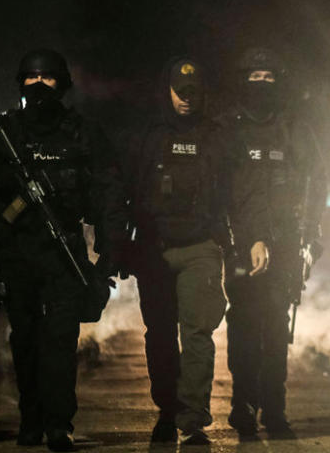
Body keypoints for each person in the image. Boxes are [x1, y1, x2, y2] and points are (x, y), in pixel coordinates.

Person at [0, 48, 126, 452]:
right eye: (32, 78)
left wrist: (111, 246)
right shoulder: (3, 131)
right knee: (26, 339)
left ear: (62, 84)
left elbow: (108, 192)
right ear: (21, 84)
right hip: (16, 254)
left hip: (62, 251)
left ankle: (58, 423)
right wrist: (4, 183)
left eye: (48, 78)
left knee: (61, 340)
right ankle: (30, 417)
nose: (39, 85)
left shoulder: (82, 132)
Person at [123, 56, 269, 445]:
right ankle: (167, 410)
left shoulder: (219, 137)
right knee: (160, 336)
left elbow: (243, 194)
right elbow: (121, 190)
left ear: (203, 93)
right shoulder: (148, 136)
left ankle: (192, 417)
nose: (186, 100)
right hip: (155, 248)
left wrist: (254, 237)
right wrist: (118, 244)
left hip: (202, 247)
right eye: (179, 92)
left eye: (193, 92)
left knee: (199, 334)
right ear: (167, 90)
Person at [217, 47, 326, 437]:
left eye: (269, 77)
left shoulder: (294, 128)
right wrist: (244, 239)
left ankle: (275, 411)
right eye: (254, 76)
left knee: (277, 329)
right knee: (244, 325)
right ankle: (243, 407)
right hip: (242, 244)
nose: (261, 84)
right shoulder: (229, 128)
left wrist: (311, 240)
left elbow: (316, 185)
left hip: (286, 244)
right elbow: (221, 191)